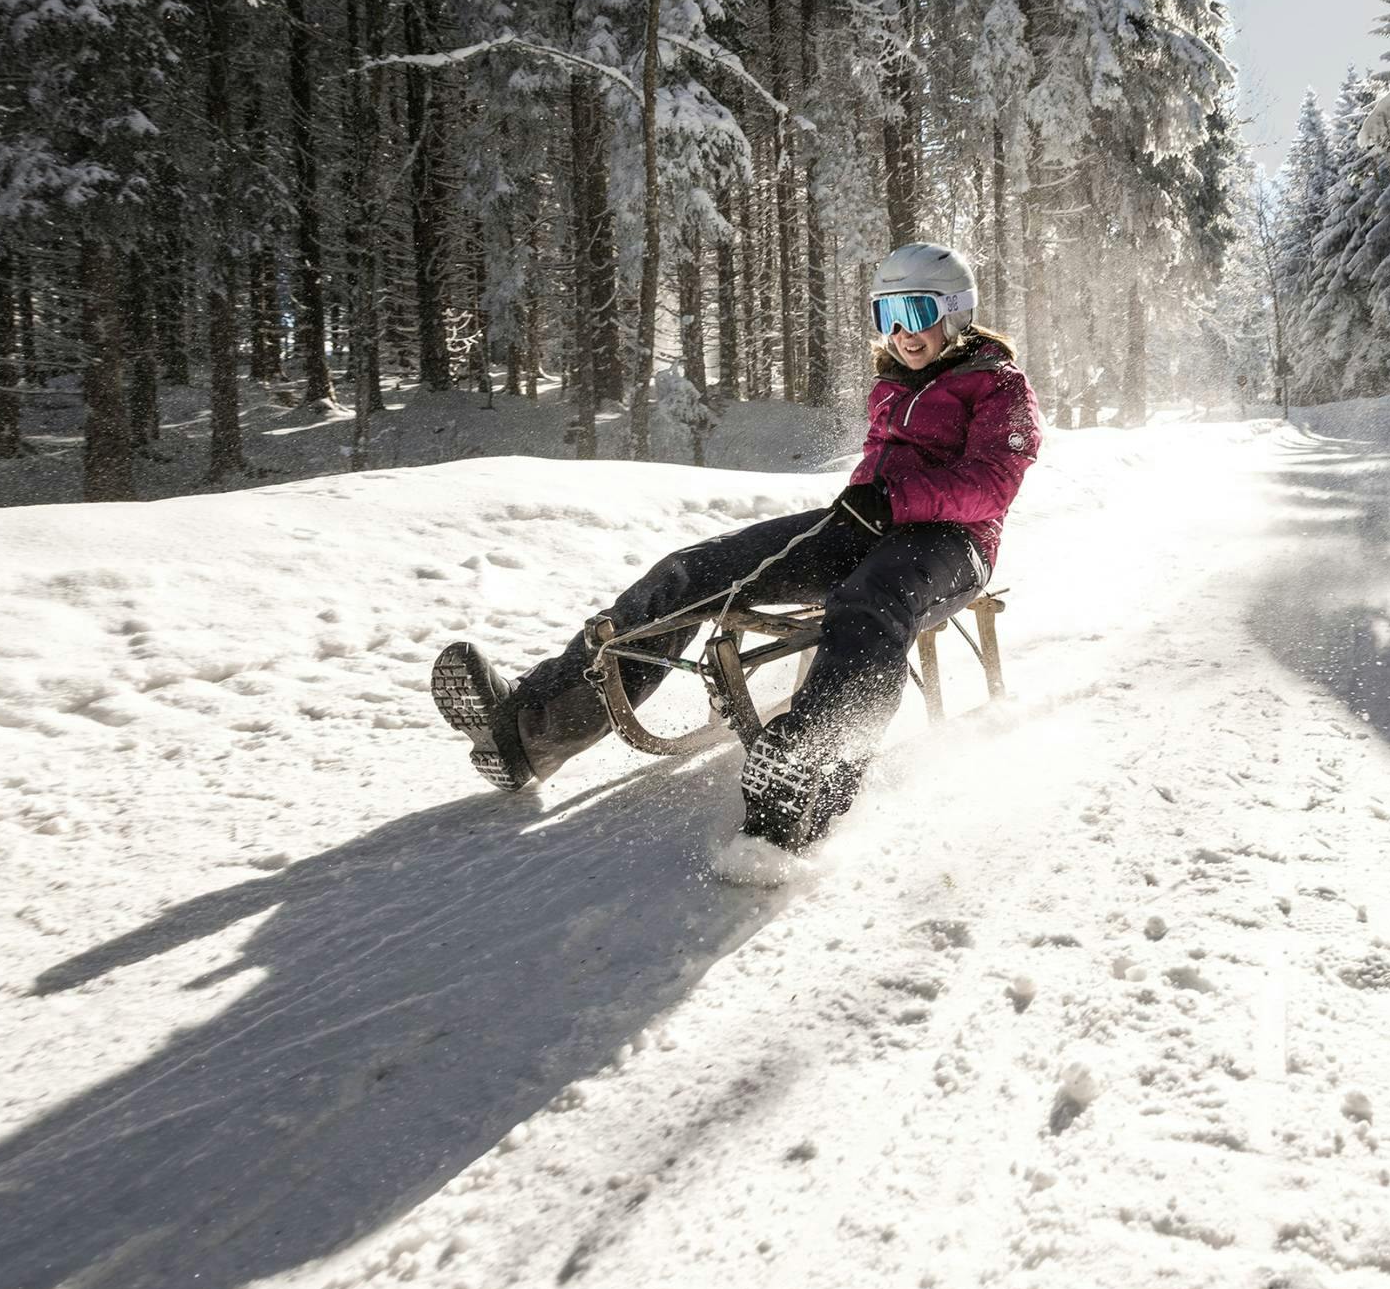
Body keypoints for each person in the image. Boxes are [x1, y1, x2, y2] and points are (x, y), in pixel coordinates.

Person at [429, 242, 1042, 849]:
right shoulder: (893, 380)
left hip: (955, 544)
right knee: (694, 572)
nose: (903, 333)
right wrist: (868, 507)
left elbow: (992, 484)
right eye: (888, 314)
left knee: (870, 600)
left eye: (918, 313)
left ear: (956, 312)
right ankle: (530, 730)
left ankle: (810, 770)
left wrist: (894, 501)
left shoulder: (998, 385)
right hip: (864, 524)